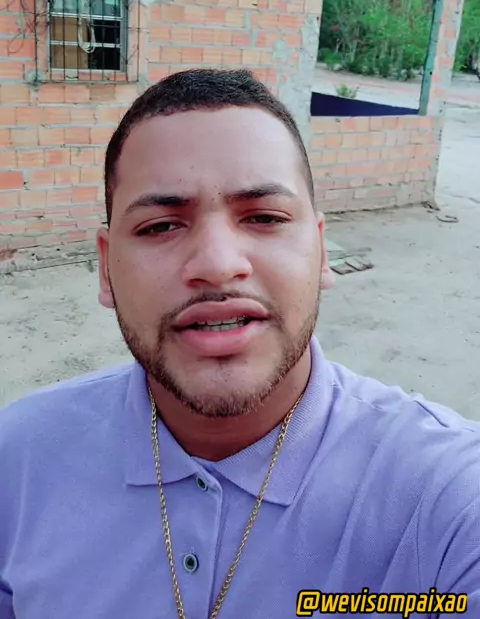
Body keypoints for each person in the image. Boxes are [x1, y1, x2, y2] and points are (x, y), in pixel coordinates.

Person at [0, 68, 479, 619]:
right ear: (106, 269)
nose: (217, 264)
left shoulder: (448, 500)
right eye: (160, 226)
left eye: (265, 217)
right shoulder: (20, 459)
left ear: (321, 253)